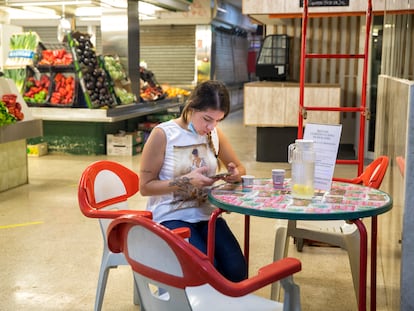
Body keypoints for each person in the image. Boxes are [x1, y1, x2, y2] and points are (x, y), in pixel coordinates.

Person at [139, 80, 247, 282]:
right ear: (191, 106)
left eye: (218, 120)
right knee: (205, 272)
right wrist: (185, 181)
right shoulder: (163, 134)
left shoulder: (214, 134)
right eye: (207, 119)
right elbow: (145, 187)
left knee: (237, 272)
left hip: (207, 215)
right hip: (170, 216)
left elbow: (240, 168)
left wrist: (234, 174)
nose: (211, 126)